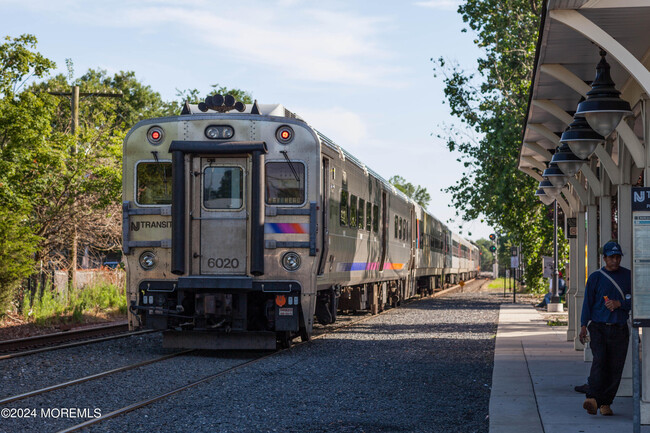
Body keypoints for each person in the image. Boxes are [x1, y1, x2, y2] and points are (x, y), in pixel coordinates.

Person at [579, 241, 631, 416]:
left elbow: (637, 300)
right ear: (604, 258)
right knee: (600, 361)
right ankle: (592, 398)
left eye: (617, 257)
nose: (615, 260)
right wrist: (583, 325)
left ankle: (605, 403)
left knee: (615, 368)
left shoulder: (628, 276)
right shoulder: (595, 277)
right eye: (611, 257)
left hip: (620, 328)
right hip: (599, 328)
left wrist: (620, 304)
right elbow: (587, 302)